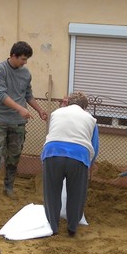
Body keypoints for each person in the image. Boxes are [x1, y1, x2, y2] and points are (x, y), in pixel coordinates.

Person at [0, 41, 48, 205]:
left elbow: (28, 95)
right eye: (22, 59)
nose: (25, 63)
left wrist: (39, 110)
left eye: (26, 60)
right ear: (13, 55)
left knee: (14, 156)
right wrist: (20, 109)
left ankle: (8, 187)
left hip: (18, 123)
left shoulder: (26, 73)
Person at [41, 91, 99, 237]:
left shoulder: (56, 113)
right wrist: (89, 163)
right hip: (78, 156)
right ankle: (72, 228)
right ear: (84, 107)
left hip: (52, 153)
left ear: (68, 102)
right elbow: (95, 146)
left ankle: (53, 228)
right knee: (76, 194)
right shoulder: (91, 119)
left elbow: (54, 134)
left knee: (52, 192)